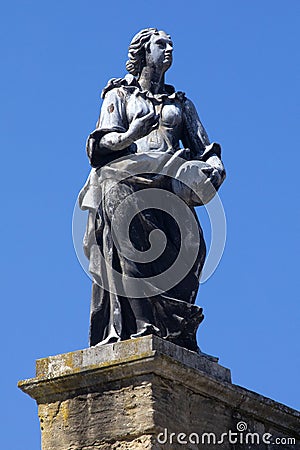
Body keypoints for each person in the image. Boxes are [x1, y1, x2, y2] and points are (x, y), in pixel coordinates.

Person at [79, 28, 225, 352]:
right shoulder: (119, 95)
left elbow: (205, 147)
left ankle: (173, 328)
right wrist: (131, 134)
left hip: (170, 188)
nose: (169, 48)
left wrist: (215, 168)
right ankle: (143, 324)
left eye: (172, 43)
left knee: (195, 248)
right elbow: (99, 144)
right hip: (124, 182)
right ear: (144, 52)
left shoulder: (181, 104)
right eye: (162, 44)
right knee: (131, 240)